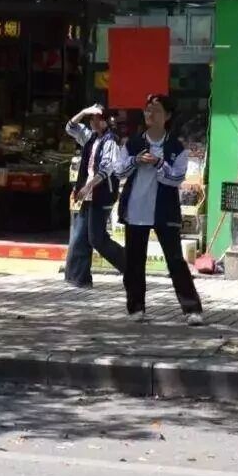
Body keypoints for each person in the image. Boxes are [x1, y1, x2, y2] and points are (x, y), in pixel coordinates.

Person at [115, 93, 204, 325]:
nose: (150, 114)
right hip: (136, 209)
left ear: (167, 116)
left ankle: (192, 309)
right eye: (147, 110)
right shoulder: (133, 143)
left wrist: (158, 163)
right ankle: (136, 308)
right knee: (134, 262)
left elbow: (176, 178)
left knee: (175, 260)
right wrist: (135, 160)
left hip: (164, 211)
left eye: (155, 111)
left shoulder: (176, 147)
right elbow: (119, 171)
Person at [64, 103, 126, 288]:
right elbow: (70, 127)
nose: (93, 122)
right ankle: (78, 278)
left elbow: (106, 169)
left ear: (106, 121)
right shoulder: (90, 137)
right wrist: (83, 111)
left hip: (102, 194)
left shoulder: (110, 141)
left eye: (97, 118)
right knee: (80, 236)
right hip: (88, 194)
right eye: (91, 119)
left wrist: (88, 187)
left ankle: (130, 266)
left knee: (96, 238)